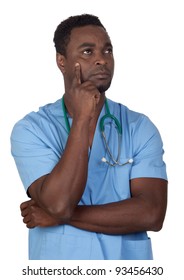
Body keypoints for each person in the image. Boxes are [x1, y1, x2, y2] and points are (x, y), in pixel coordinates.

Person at [10, 14, 168, 260]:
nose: (101, 60)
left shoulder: (139, 127)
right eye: (87, 52)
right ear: (61, 62)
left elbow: (152, 214)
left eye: (107, 51)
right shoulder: (32, 129)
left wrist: (61, 216)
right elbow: (59, 202)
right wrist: (83, 119)